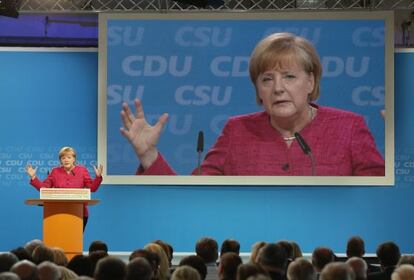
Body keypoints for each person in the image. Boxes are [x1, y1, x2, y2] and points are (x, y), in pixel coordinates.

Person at [120, 32, 385, 176]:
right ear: (258, 88)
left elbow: (377, 201)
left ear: (310, 82)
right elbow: (194, 198)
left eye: (290, 76)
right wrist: (149, 156)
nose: (278, 87)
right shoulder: (237, 131)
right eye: (267, 78)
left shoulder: (348, 127)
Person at [25, 146, 103, 229]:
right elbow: (44, 188)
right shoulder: (55, 171)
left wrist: (98, 177)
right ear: (60, 160)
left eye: (69, 157)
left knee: (74, 240)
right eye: (63, 158)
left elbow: (92, 188)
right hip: (57, 213)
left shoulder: (82, 171)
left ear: (74, 159)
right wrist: (33, 177)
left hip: (80, 213)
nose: (66, 160)